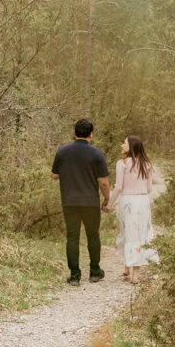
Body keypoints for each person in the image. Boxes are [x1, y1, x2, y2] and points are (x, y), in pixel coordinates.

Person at [51, 119, 110, 286]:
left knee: (72, 237)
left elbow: (55, 175)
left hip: (69, 201)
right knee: (93, 235)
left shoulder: (63, 151)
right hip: (90, 202)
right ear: (91, 134)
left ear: (74, 133)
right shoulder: (97, 153)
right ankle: (95, 272)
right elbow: (103, 182)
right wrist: (107, 198)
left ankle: (75, 275)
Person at [106, 135, 159, 285]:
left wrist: (109, 205)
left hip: (127, 202)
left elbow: (118, 187)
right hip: (142, 202)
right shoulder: (147, 165)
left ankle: (127, 268)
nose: (122, 145)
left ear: (131, 147)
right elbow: (149, 188)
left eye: (124, 143)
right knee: (140, 235)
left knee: (127, 232)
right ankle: (134, 274)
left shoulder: (122, 164)